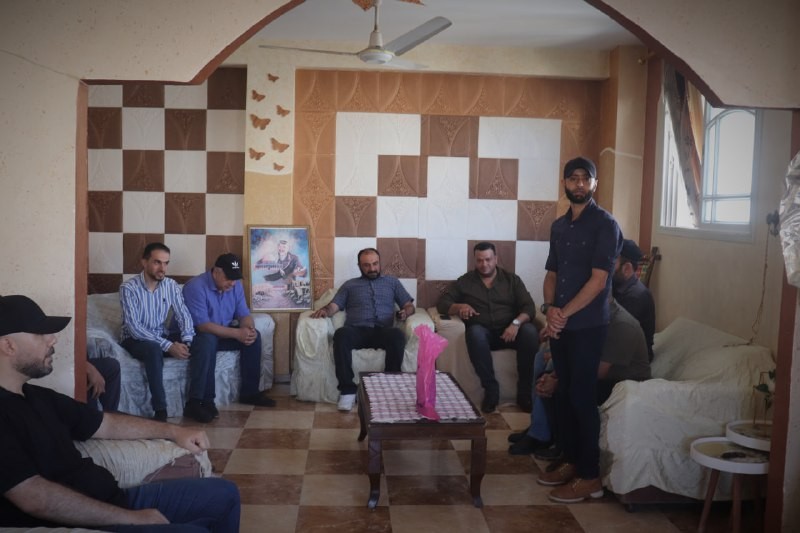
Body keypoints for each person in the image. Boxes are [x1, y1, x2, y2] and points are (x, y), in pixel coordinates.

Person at [0, 294, 240, 531]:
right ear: (8, 345)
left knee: (224, 494)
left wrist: (174, 431)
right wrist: (131, 519)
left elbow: (106, 424)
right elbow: (34, 497)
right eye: (40, 333)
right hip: (83, 520)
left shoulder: (39, 397)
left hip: (113, 501)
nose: (52, 339)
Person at [538, 156, 623, 503]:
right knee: (564, 392)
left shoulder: (606, 224)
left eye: (585, 179)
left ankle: (590, 477)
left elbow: (599, 280)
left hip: (588, 326)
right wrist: (549, 309)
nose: (578, 184)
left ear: (594, 184)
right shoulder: (559, 226)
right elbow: (551, 274)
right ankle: (571, 461)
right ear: (564, 183)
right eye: (572, 178)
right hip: (562, 324)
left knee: (582, 397)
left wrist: (562, 315)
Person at [509, 298, 650, 456]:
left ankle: (562, 448)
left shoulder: (622, 325)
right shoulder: (594, 317)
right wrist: (553, 375)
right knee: (546, 367)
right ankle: (541, 430)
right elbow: (576, 353)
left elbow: (599, 372)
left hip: (621, 383)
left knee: (564, 388)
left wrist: (558, 381)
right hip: (599, 373)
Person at [437, 242, 538, 413]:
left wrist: (515, 324)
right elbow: (443, 303)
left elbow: (529, 307)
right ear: (474, 261)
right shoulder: (465, 281)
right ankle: (491, 391)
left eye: (488, 259)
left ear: (496, 259)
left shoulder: (512, 280)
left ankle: (525, 393)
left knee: (529, 331)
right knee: (475, 333)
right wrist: (460, 307)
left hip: (510, 332)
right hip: (483, 335)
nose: (484, 264)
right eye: (480, 260)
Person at [311, 248, 415, 412]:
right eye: (366, 265)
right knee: (341, 335)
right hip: (356, 331)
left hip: (383, 331)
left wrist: (405, 312)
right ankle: (347, 391)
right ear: (359, 266)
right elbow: (334, 306)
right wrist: (325, 310)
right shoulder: (350, 285)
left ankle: (389, 387)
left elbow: (409, 305)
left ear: (379, 263)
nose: (372, 268)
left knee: (397, 335)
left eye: (375, 264)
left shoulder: (392, 283)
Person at [182, 253, 276, 422]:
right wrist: (237, 333)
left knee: (254, 338)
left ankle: (250, 393)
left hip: (219, 334)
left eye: (235, 278)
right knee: (208, 341)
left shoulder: (235, 285)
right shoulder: (195, 286)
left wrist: (248, 329)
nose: (232, 283)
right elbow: (203, 326)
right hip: (193, 336)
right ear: (216, 272)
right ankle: (200, 402)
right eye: (228, 278)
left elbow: (243, 314)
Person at [119, 242, 199, 421]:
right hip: (134, 339)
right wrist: (168, 346)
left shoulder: (171, 285)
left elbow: (183, 314)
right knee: (154, 349)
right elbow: (134, 328)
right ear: (144, 262)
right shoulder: (128, 288)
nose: (162, 268)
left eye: (166, 263)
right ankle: (160, 410)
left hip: (161, 335)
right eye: (157, 262)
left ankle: (199, 402)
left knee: (203, 342)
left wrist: (186, 341)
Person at [612, 239, 656, 361]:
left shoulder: (636, 296)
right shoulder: (617, 288)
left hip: (632, 360)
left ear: (626, 268)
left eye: (612, 262)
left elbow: (617, 338)